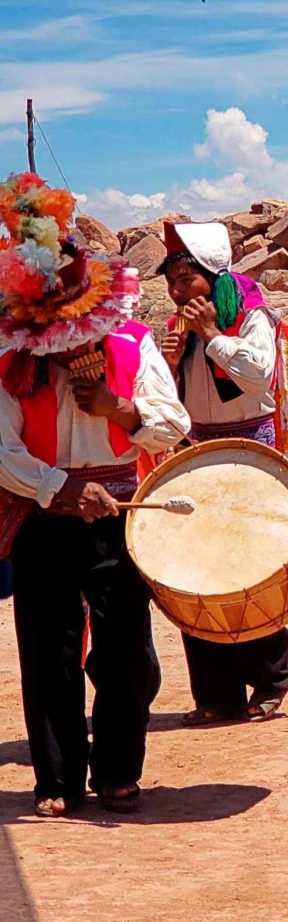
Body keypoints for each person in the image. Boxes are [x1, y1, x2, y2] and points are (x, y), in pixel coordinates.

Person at [0, 173, 190, 816]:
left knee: (125, 650)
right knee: (47, 648)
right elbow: (2, 451)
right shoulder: (13, 362)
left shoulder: (133, 346)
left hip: (121, 516)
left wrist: (120, 409)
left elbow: (175, 425)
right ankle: (55, 779)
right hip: (42, 516)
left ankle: (116, 770)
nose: (73, 346)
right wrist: (57, 489)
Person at [158, 221, 288, 725]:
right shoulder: (177, 328)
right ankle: (216, 693)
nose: (176, 290)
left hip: (250, 448)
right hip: (198, 447)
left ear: (210, 277)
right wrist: (169, 364)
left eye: (185, 279)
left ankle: (271, 675)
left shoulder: (250, 315)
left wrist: (210, 335)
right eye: (172, 281)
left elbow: (258, 375)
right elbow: (175, 401)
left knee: (250, 565)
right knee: (197, 568)